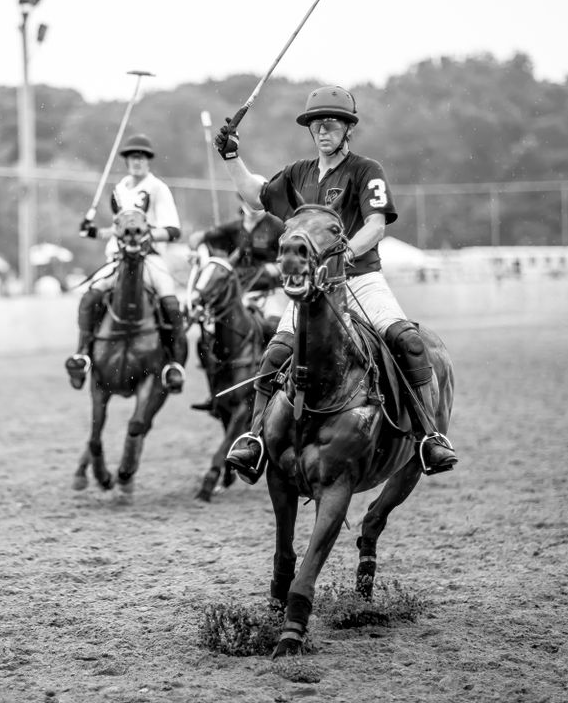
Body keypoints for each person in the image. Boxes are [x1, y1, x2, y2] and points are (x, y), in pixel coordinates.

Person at [214, 85, 458, 482]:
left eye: (329, 125)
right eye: (316, 126)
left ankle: (429, 435)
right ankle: (255, 438)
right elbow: (256, 196)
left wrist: (342, 255)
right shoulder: (298, 174)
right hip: (313, 288)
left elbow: (376, 225)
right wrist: (231, 157)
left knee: (408, 342)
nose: (322, 132)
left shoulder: (366, 170)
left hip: (359, 279)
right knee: (274, 354)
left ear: (348, 130)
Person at [65, 133, 188, 393]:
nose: (137, 161)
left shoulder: (158, 188)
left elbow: (173, 230)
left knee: (170, 304)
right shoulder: (119, 190)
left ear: (148, 161)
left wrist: (144, 235)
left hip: (150, 258)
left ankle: (174, 365)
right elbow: (117, 229)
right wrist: (94, 232)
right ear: (127, 161)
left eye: (141, 157)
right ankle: (83, 355)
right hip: (119, 258)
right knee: (90, 297)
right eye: (133, 157)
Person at [186, 197, 285, 411]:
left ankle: (276, 385)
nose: (251, 203)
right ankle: (215, 393)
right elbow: (198, 237)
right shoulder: (233, 227)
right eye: (246, 198)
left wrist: (278, 267)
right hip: (238, 292)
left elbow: (292, 249)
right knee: (207, 339)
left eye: (256, 198)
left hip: (269, 291)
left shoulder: (276, 226)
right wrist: (195, 251)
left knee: (276, 329)